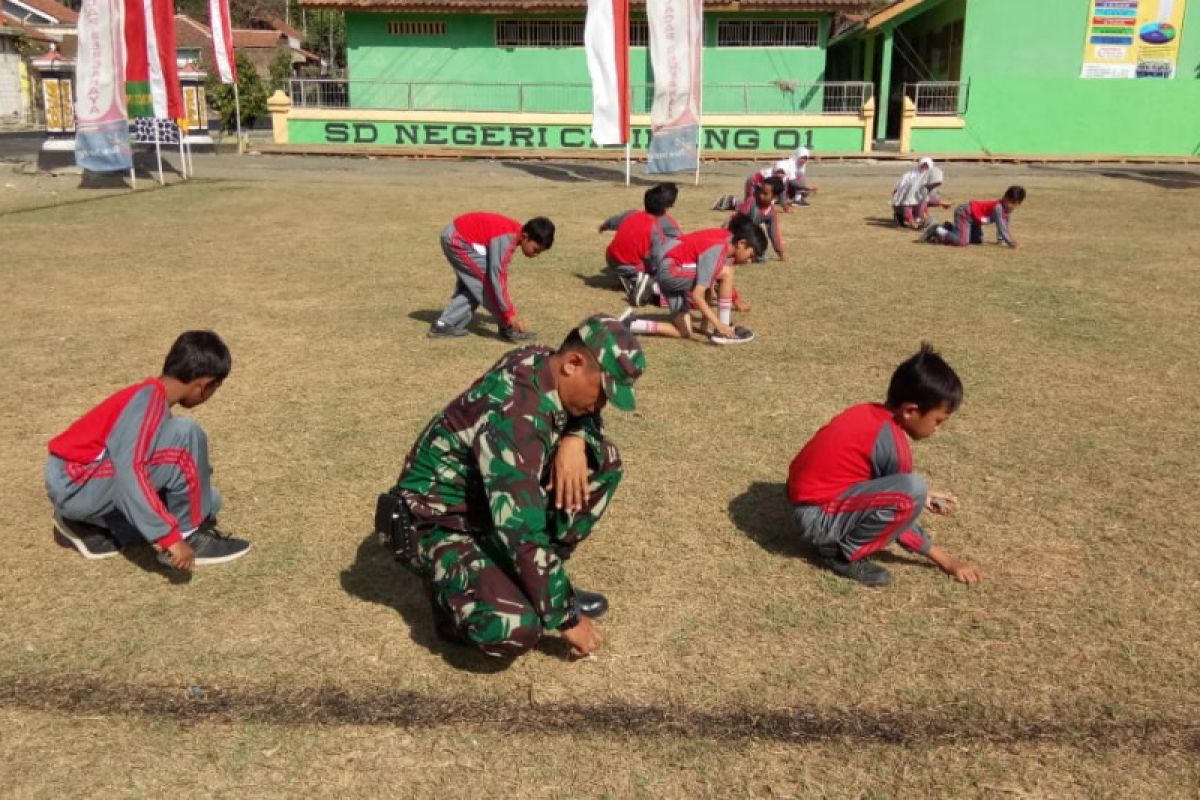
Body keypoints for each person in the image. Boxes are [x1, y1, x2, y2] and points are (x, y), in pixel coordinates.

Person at [378, 315, 645, 660]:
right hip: (436, 522)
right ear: (573, 364)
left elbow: (585, 417)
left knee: (601, 459)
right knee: (517, 627)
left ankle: (541, 581)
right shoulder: (515, 415)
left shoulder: (538, 358)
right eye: (603, 391)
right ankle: (452, 610)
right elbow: (521, 530)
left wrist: (576, 438)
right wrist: (567, 619)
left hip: (483, 507)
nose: (601, 404)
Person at [45, 330, 251, 570]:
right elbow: (129, 472)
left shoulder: (152, 400)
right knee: (186, 432)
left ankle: (91, 528)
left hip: (82, 484)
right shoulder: (147, 401)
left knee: (208, 500)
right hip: (75, 484)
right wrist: (171, 539)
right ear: (204, 386)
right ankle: (189, 536)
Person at [786, 344, 982, 587]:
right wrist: (947, 561)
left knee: (915, 491)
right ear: (910, 410)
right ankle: (841, 555)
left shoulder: (866, 412)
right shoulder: (892, 442)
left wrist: (924, 496)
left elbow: (859, 473)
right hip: (816, 520)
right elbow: (903, 508)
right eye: (938, 420)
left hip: (800, 503)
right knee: (913, 490)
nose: (937, 429)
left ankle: (836, 542)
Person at [623, 215, 765, 345]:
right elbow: (698, 295)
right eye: (751, 255)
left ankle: (631, 324)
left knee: (685, 331)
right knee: (727, 273)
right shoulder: (718, 249)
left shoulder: (721, 251)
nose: (750, 261)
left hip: (668, 277)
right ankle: (725, 327)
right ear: (741, 243)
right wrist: (719, 325)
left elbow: (708, 284)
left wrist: (704, 323)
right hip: (670, 271)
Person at [428, 213, 556, 341]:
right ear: (525, 236)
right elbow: (496, 276)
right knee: (486, 284)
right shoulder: (507, 237)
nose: (536, 254)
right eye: (536, 249)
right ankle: (507, 327)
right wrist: (509, 314)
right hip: (456, 239)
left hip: (457, 236)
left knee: (476, 284)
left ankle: (445, 324)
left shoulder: (513, 233)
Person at [598, 182, 682, 305]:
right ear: (668, 206)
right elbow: (657, 256)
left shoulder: (631, 214)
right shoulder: (661, 226)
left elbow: (613, 221)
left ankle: (630, 278)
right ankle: (638, 282)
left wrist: (604, 226)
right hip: (632, 266)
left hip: (611, 259)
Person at [926, 186, 1025, 248]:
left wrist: (1001, 240)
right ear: (1005, 198)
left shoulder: (1007, 211)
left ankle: (949, 227)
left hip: (974, 221)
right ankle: (937, 230)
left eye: (1015, 203)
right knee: (962, 242)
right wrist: (1012, 243)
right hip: (965, 213)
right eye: (1010, 202)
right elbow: (1001, 227)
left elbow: (1004, 225)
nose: (1011, 206)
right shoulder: (998, 207)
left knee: (978, 241)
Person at [732, 175, 786, 262]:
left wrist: (781, 253)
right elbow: (739, 220)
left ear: (774, 197)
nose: (761, 195)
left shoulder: (771, 213)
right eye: (760, 191)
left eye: (765, 194)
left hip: (750, 237)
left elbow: (774, 234)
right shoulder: (752, 201)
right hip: (735, 229)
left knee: (762, 257)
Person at [891, 157, 932, 228]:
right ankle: (907, 219)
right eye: (923, 165)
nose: (924, 167)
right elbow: (900, 185)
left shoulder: (930, 177)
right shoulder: (909, 175)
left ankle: (920, 219)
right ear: (920, 164)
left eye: (927, 166)